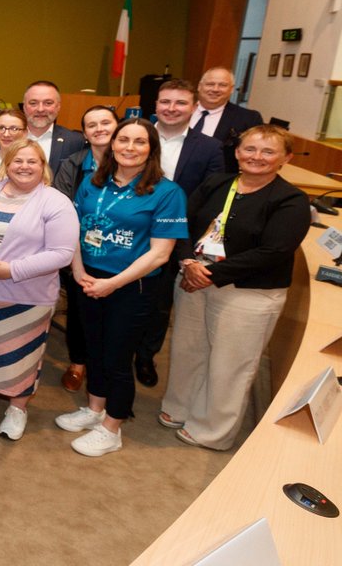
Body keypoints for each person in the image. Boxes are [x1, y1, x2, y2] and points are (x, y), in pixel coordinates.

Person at [160, 125, 310, 450]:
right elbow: (181, 222)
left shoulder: (291, 200)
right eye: (250, 149)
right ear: (238, 152)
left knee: (230, 363)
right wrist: (188, 262)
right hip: (193, 277)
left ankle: (213, 430)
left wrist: (210, 274)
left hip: (247, 291)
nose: (257, 157)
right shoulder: (216, 183)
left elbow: (274, 251)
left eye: (268, 151)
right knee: (188, 349)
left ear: (286, 158)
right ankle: (180, 406)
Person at [56, 118, 187, 457]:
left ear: (151, 149)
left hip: (130, 286)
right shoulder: (92, 183)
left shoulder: (167, 193)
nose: (130, 147)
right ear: (112, 144)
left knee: (116, 357)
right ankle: (95, 409)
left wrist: (112, 284)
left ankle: (112, 427)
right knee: (94, 350)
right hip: (88, 279)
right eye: (123, 139)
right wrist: (79, 271)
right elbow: (73, 230)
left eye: (139, 141)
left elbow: (160, 254)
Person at [0, 139, 78, 440]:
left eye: (32, 161)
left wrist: (12, 270)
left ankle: (17, 408)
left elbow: (62, 253)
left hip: (27, 297)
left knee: (21, 357)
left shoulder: (56, 202)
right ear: (6, 164)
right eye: (17, 161)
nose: (24, 166)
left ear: (43, 166)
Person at [134, 79, 224, 388]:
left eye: (180, 103)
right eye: (165, 102)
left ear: (194, 107)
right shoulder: (135, 135)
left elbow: (209, 197)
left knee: (159, 303)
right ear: (155, 105)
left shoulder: (209, 148)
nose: (171, 108)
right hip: (128, 228)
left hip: (175, 233)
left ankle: (145, 355)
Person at [53, 105, 119, 393]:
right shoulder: (74, 163)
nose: (99, 129)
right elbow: (62, 206)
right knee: (80, 313)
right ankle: (78, 363)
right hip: (80, 252)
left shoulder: (132, 161)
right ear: (84, 133)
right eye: (92, 125)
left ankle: (107, 368)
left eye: (106, 122)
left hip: (122, 253)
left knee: (117, 316)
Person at [0, 81, 85, 170]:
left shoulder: (75, 141)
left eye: (48, 103)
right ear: (24, 106)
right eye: (33, 103)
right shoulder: (1, 136)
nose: (40, 109)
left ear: (58, 106)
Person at [192, 67, 264, 172]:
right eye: (210, 84)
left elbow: (255, 152)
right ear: (199, 86)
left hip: (220, 178)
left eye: (222, 85)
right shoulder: (178, 110)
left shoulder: (249, 118)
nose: (215, 89)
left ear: (231, 89)